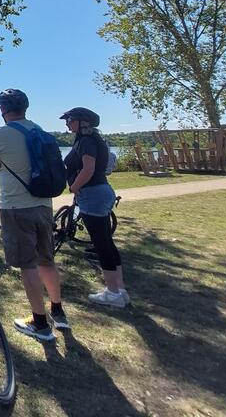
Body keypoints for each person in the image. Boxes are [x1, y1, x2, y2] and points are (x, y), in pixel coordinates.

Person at [0, 89, 68, 342]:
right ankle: (58, 311)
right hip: (43, 205)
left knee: (28, 264)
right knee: (46, 260)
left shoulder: (2, 133)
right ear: (25, 108)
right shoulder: (38, 130)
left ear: (2, 110)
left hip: (16, 207)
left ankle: (39, 323)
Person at [61, 107, 129, 308]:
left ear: (83, 122)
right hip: (101, 191)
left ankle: (113, 292)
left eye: (70, 119)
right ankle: (120, 288)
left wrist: (74, 186)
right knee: (106, 241)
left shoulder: (87, 141)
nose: (67, 123)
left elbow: (88, 168)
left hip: (92, 194)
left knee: (101, 244)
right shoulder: (92, 139)